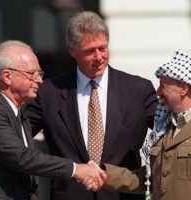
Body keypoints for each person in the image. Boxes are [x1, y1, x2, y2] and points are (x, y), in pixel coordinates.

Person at [25, 11, 157, 200]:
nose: (98, 57)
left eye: (103, 48)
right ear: (72, 50)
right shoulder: (49, 93)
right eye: (89, 51)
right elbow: (16, 138)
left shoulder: (139, 90)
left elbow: (171, 134)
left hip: (122, 195)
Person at [0, 40, 106, 200]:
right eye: (32, 74)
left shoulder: (20, 113)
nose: (39, 80)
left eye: (40, 74)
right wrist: (75, 169)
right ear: (7, 76)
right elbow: (22, 158)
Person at [102, 49, 191, 200]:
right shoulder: (165, 129)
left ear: (183, 88)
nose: (158, 93)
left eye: (163, 85)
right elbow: (150, 178)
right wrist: (104, 175)